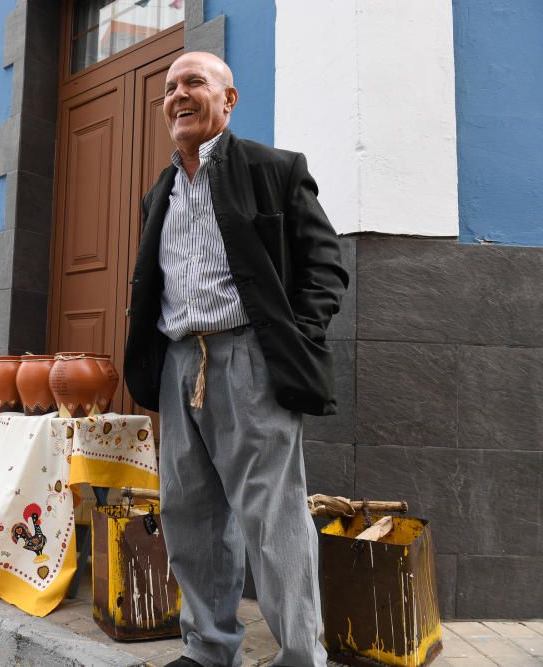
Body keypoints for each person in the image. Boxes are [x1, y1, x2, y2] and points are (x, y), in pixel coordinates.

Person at [124, 52, 348, 667]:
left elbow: (325, 263)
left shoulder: (273, 170)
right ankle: (208, 650)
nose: (179, 95)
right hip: (178, 363)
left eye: (194, 82)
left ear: (229, 99)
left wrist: (292, 338)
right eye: (170, 88)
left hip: (250, 357)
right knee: (190, 514)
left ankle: (302, 656)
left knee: (272, 516)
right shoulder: (160, 192)